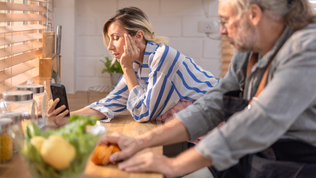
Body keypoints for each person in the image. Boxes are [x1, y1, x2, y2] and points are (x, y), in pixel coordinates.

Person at [99, 0, 316, 178]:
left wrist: (174, 165)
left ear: (253, 14)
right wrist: (140, 142)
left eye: (225, 20)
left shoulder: (310, 48)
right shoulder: (250, 48)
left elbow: (257, 123)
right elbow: (213, 104)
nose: (221, 30)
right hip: (253, 166)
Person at [48, 7, 218, 122]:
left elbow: (143, 113)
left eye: (115, 38)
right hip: (196, 127)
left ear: (138, 36)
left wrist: (127, 68)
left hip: (219, 122)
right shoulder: (137, 65)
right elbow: (108, 104)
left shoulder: (163, 57)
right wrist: (68, 117)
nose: (109, 46)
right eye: (109, 39)